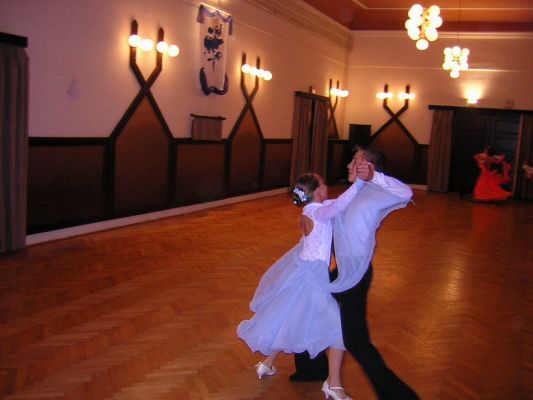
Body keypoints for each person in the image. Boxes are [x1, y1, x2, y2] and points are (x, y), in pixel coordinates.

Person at [291, 146, 420, 400]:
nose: (349, 166)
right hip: (343, 270)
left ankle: (400, 396)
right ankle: (312, 369)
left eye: (355, 161)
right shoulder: (354, 192)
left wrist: (374, 177)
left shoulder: (378, 193)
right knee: (308, 307)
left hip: (356, 274)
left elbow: (407, 192)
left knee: (356, 341)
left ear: (369, 165)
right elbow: (325, 214)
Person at [237, 172, 361, 400]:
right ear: (317, 190)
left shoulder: (309, 210)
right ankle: (334, 385)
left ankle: (267, 363)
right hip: (313, 277)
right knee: (338, 329)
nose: (327, 187)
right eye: (323, 184)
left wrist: (357, 191)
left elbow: (336, 203)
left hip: (303, 271)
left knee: (289, 318)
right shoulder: (319, 212)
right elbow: (338, 206)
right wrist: (361, 183)